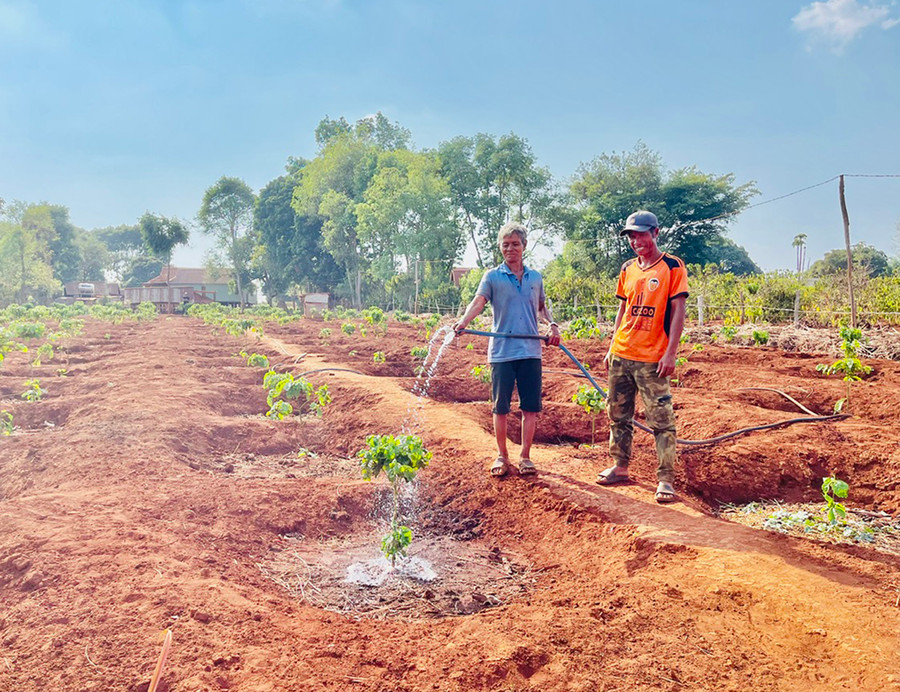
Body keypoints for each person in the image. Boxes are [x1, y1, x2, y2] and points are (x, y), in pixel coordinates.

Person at [453, 222, 560, 477]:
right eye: (505, 245)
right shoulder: (492, 276)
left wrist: (552, 325)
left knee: (530, 407)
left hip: (530, 350)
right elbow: (479, 301)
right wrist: (464, 322)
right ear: (500, 248)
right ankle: (502, 455)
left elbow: (541, 307)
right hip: (502, 352)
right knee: (500, 406)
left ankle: (525, 457)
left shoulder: (535, 277)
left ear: (524, 246)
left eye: (515, 244)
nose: (510, 249)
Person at [597, 210, 688, 503]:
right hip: (623, 353)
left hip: (652, 359)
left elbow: (678, 311)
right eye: (632, 236)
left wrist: (670, 352)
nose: (636, 241)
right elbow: (623, 310)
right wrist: (612, 346)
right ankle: (620, 466)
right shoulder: (627, 269)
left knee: (661, 420)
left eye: (641, 235)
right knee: (618, 415)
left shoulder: (672, 266)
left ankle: (665, 479)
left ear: (655, 233)